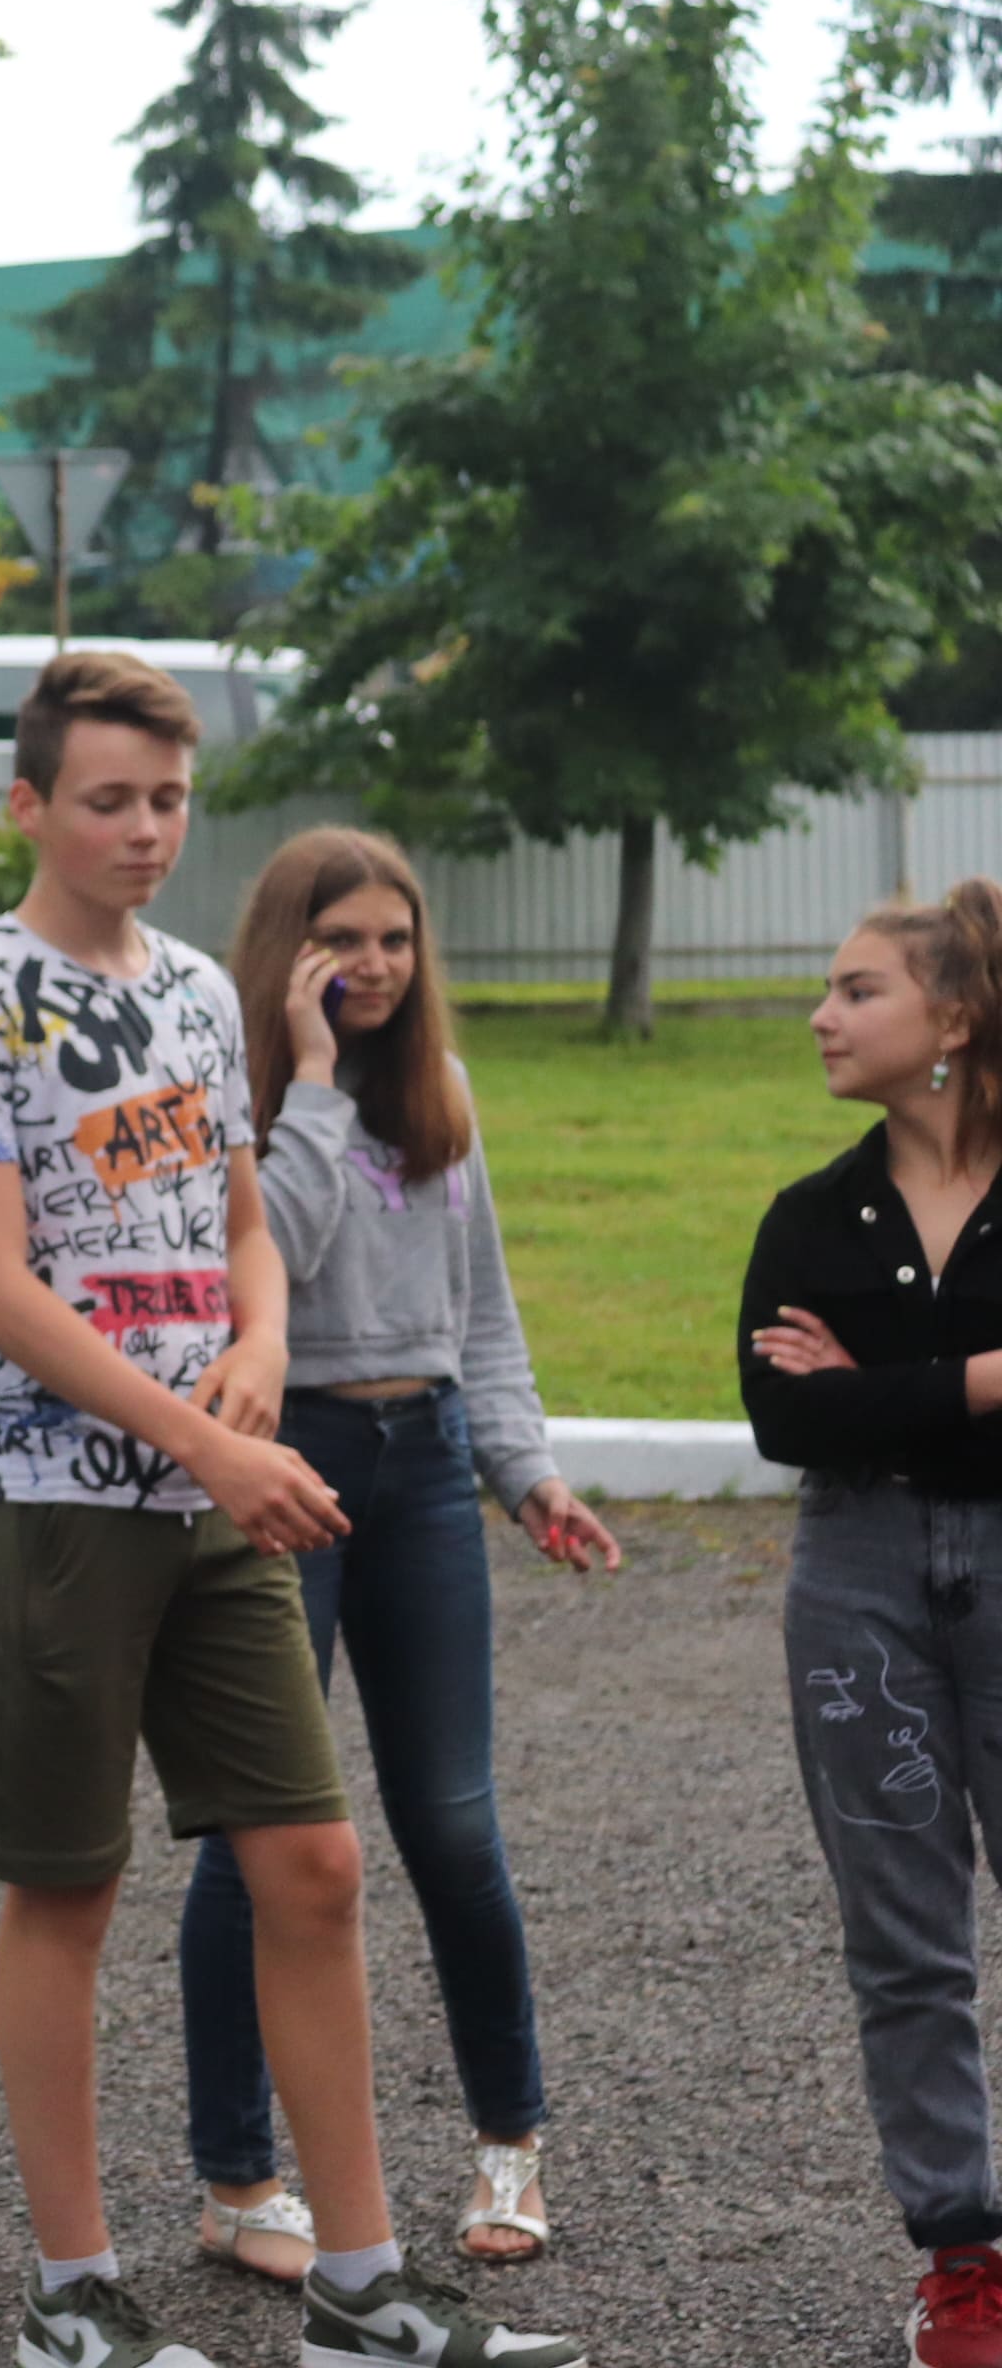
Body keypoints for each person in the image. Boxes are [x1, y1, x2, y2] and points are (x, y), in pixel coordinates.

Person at [0, 656, 586, 2368]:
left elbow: (242, 1229)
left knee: (314, 1861)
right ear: (30, 806)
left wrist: (265, 1343)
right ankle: (74, 2296)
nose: (145, 830)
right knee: (67, 1890)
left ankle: (361, 2286)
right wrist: (201, 1443)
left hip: (216, 1488)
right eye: (108, 801)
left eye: (167, 800)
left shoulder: (210, 995)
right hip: (55, 1499)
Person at [174, 830, 623, 2283]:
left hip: (423, 1461)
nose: (373, 965)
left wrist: (526, 1472)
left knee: (452, 1824)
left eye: (394, 939)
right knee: (256, 1837)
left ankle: (510, 2143)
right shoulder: (238, 1097)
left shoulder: (444, 1094)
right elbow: (279, 1263)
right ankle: (240, 2179)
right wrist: (309, 1077)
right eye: (343, 941)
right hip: (284, 1459)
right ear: (287, 952)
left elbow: (481, 1313)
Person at [743, 880, 1002, 2368]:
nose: (821, 1018)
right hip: (857, 1574)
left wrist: (879, 1385)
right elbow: (787, 1418)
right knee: (906, 1944)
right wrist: (982, 1378)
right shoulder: (810, 1218)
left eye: (858, 991)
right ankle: (964, 2262)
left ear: (950, 1018)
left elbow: (844, 1400)